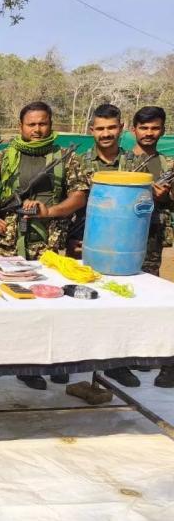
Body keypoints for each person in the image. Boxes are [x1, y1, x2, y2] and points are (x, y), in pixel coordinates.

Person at [0, 101, 89, 391]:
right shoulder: (4, 156)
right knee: (6, 302)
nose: (37, 129)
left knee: (49, 304)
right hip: (7, 242)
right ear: (21, 126)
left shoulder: (66, 157)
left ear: (51, 124)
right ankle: (0, 361)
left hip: (49, 242)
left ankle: (44, 363)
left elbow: (79, 196)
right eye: (31, 124)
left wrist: (49, 211)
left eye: (43, 123)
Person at [102, 106, 174, 389]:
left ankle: (149, 356)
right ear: (133, 130)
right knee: (117, 298)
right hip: (119, 240)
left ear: (163, 130)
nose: (149, 133)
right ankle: (118, 362)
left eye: (155, 128)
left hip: (152, 239)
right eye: (144, 128)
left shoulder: (167, 164)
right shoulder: (121, 161)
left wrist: (165, 196)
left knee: (148, 299)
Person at [67, 103, 130, 257]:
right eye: (100, 128)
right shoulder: (77, 163)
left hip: (124, 244)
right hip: (83, 242)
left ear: (121, 128)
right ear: (92, 130)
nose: (106, 134)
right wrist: (69, 238)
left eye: (112, 127)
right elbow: (66, 203)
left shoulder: (135, 164)